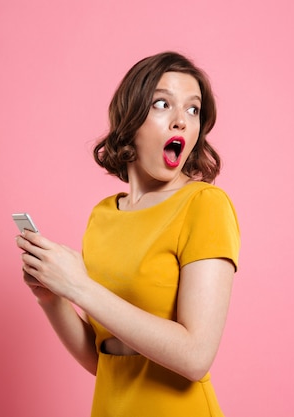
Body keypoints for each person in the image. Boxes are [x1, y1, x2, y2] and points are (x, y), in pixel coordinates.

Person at [16, 51, 240, 417]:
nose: (181, 121)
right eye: (163, 104)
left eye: (193, 109)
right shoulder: (103, 216)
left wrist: (79, 286)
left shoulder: (205, 205)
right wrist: (52, 298)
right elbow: (101, 357)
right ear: (130, 120)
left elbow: (196, 355)